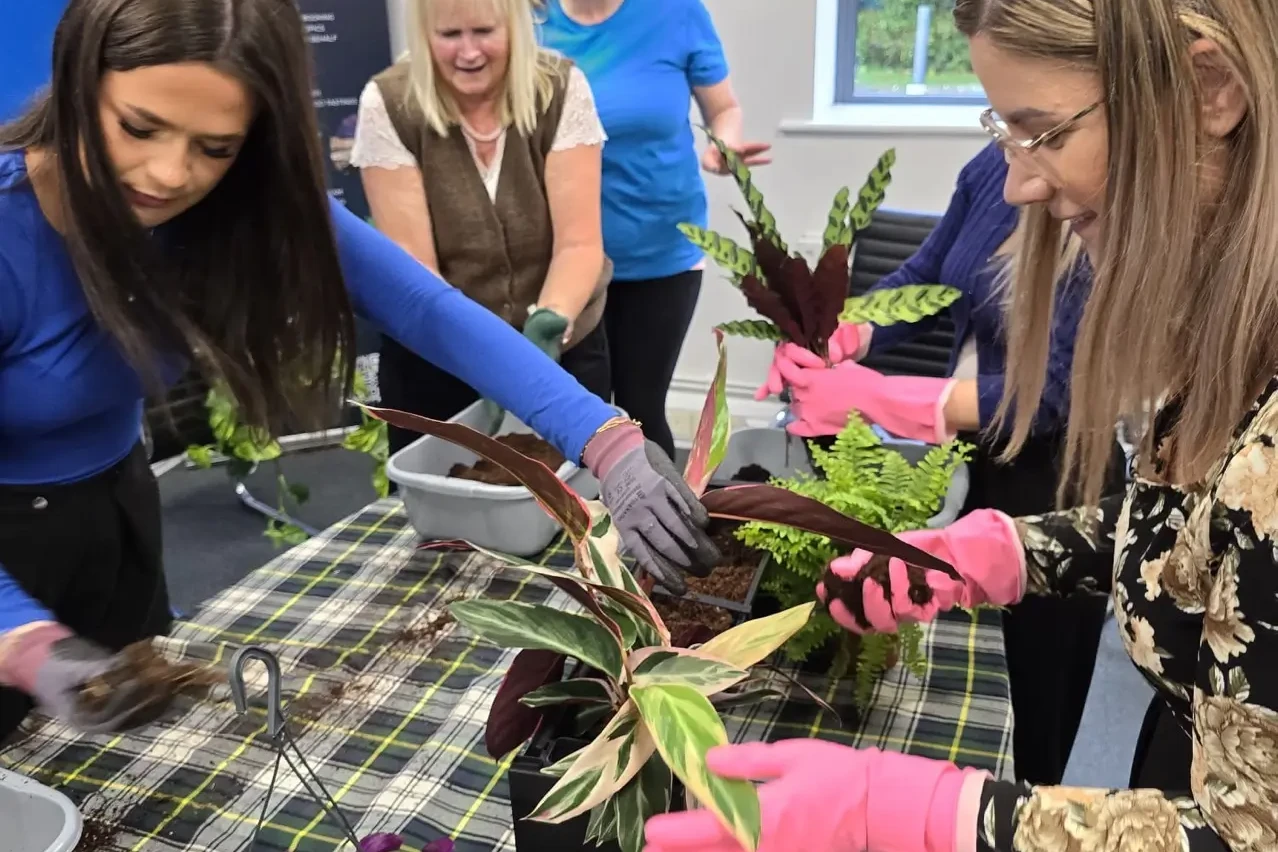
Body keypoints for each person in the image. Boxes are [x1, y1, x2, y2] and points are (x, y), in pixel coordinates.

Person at [645, 0, 1278, 848]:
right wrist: (1007, 551)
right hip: (1179, 742)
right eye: (1004, 131)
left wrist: (937, 817)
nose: (1018, 179)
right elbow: (1200, 534)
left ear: (1208, 88)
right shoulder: (1227, 352)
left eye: (1043, 132)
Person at [0, 0, 719, 744]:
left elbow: (427, 309)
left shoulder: (236, 204)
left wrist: (602, 437)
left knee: (128, 758)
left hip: (115, 513)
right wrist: (20, 639)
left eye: (214, 147)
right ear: (79, 84)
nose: (168, 173)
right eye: (138, 128)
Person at [755, 141, 1124, 786]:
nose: (1009, 150)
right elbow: (927, 277)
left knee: (1042, 694)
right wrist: (847, 331)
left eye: (1024, 124)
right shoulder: (995, 166)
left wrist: (878, 397)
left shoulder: (1103, 202)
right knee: (986, 671)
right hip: (986, 464)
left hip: (1062, 486)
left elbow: (1052, 395)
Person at [352, 0, 615, 456]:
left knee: (575, 509)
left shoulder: (559, 88)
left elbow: (578, 245)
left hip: (561, 354)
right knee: (447, 514)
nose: (468, 52)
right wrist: (490, 361)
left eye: (483, 31)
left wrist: (545, 331)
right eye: (449, 35)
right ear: (423, 34)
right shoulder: (390, 103)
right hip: (436, 359)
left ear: (513, 26)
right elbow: (415, 278)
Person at [537, 0, 771, 458]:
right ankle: (570, 527)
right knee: (575, 420)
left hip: (662, 253)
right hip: (563, 262)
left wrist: (723, 145)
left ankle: (658, 527)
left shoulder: (677, 12)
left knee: (641, 410)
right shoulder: (531, 22)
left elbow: (723, 109)